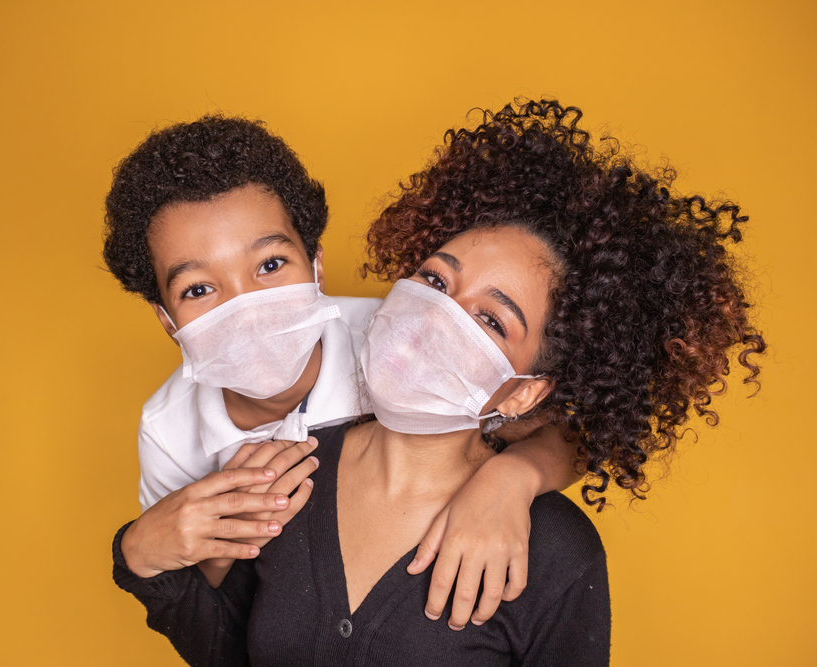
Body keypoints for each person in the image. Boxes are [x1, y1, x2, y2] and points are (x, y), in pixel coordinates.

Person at [111, 99, 766, 665]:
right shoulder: (269, 472)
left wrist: (513, 478)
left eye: (489, 317)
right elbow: (232, 640)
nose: (432, 323)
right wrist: (139, 553)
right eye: (432, 280)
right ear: (168, 318)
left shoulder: (555, 551)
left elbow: (577, 430)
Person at [103, 115, 582, 624]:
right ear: (167, 320)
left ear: (316, 267)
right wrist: (162, 548)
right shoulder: (167, 432)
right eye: (198, 289)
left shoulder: (401, 343)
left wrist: (512, 478)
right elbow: (209, 609)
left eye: (269, 265)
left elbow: (566, 432)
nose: (247, 306)